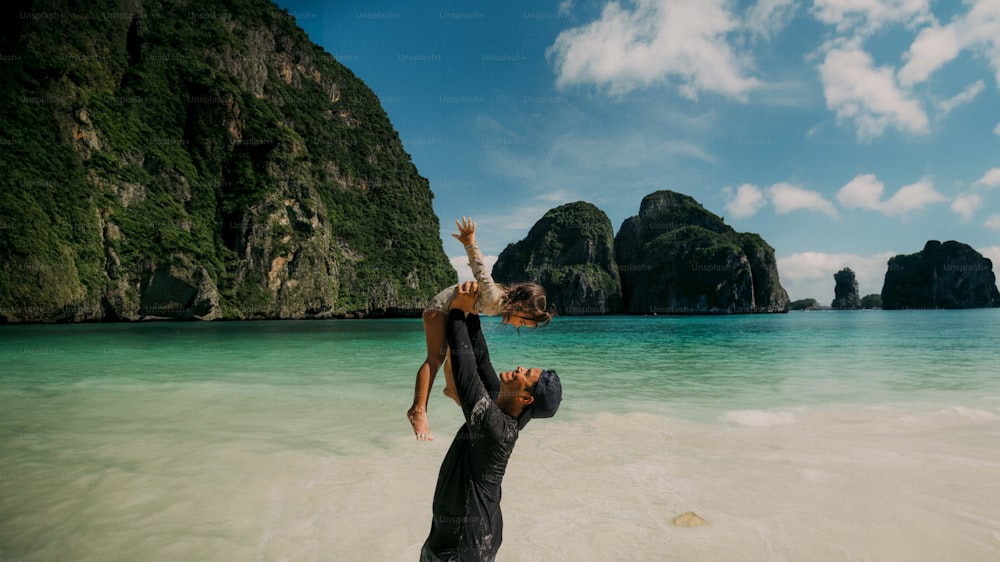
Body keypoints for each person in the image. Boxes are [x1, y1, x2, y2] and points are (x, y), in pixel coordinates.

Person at [420, 281, 562, 562]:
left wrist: (458, 313)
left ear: (526, 399)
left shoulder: (494, 428)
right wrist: (472, 312)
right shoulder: (502, 409)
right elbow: (481, 359)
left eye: (527, 374)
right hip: (473, 537)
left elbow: (465, 373)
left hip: (460, 550)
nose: (520, 367)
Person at [407, 217, 553, 441]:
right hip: (440, 308)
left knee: (454, 355)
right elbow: (481, 272)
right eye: (522, 322)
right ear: (520, 306)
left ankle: (451, 389)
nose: (517, 326)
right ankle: (418, 409)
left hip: (454, 308)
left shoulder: (500, 300)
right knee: (434, 359)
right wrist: (470, 243)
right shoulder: (496, 300)